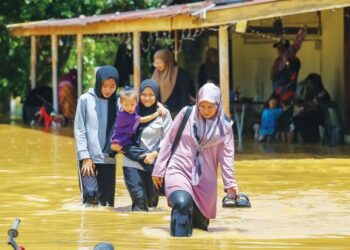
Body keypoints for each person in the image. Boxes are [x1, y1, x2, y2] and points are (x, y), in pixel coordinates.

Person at [152, 82, 239, 237]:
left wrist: (230, 184)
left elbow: (226, 157)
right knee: (181, 204)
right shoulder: (187, 113)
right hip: (178, 169)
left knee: (199, 227)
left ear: (218, 105)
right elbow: (169, 140)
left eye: (210, 107)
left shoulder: (224, 126)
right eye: (202, 105)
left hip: (205, 180)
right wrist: (159, 169)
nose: (205, 110)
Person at [112, 79, 172, 211]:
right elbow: (118, 125)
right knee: (139, 202)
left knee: (151, 206)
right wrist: (114, 146)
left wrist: (155, 153)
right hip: (131, 162)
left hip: (153, 164)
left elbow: (169, 138)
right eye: (144, 94)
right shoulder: (131, 108)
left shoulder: (164, 114)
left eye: (151, 95)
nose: (147, 98)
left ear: (157, 95)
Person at [74, 65, 119, 207]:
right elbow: (79, 129)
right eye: (104, 86)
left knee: (107, 204)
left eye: (112, 86)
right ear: (98, 82)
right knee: (91, 196)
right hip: (88, 157)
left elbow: (140, 106)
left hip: (109, 157)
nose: (108, 90)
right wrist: (85, 157)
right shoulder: (85, 99)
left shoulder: (119, 102)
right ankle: (87, 228)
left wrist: (161, 108)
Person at [110, 87, 163, 170]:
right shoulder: (123, 115)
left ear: (136, 102)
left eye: (132, 105)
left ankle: (151, 163)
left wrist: (160, 105)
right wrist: (157, 113)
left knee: (138, 155)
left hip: (129, 141)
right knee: (138, 154)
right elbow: (143, 120)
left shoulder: (134, 108)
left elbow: (151, 101)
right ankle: (153, 162)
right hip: (122, 144)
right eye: (126, 105)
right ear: (121, 103)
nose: (129, 107)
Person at [270, 25, 307, 143]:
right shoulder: (278, 61)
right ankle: (284, 148)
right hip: (278, 94)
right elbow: (273, 76)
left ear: (284, 48)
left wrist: (287, 64)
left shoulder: (293, 61)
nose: (278, 50)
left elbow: (295, 47)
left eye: (280, 47)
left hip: (287, 96)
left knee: (288, 121)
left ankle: (289, 149)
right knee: (280, 122)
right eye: (278, 48)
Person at [152, 49, 195, 117]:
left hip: (177, 113)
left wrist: (184, 114)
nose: (158, 65)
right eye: (156, 63)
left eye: (160, 62)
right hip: (159, 112)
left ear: (167, 61)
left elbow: (184, 94)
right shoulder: (156, 74)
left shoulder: (180, 74)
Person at [294, 73, 331, 143]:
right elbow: (306, 103)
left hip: (320, 115)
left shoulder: (322, 93)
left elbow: (316, 105)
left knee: (306, 119)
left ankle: (312, 140)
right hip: (310, 114)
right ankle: (306, 140)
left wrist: (305, 107)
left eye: (310, 83)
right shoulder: (309, 92)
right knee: (297, 119)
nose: (308, 84)